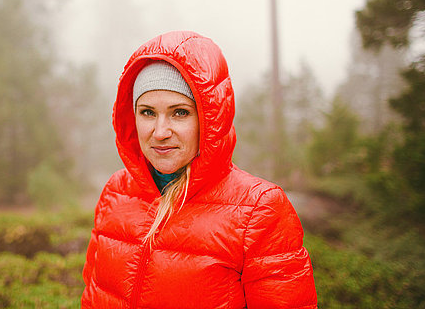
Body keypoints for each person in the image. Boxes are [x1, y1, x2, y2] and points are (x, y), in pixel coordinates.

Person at [81, 31, 317, 308]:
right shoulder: (116, 192)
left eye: (179, 112)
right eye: (147, 112)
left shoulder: (259, 210)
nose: (160, 132)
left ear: (210, 118)